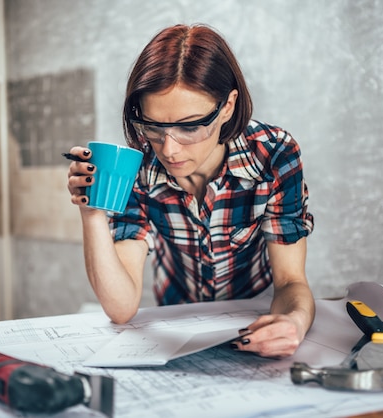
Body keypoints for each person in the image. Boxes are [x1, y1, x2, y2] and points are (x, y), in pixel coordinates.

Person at [65, 24, 315, 358]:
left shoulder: (274, 155)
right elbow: (121, 307)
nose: (169, 150)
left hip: (256, 320)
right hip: (176, 328)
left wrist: (293, 322)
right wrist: (91, 211)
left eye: (190, 126)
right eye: (154, 127)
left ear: (227, 107)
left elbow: (290, 282)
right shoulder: (138, 167)